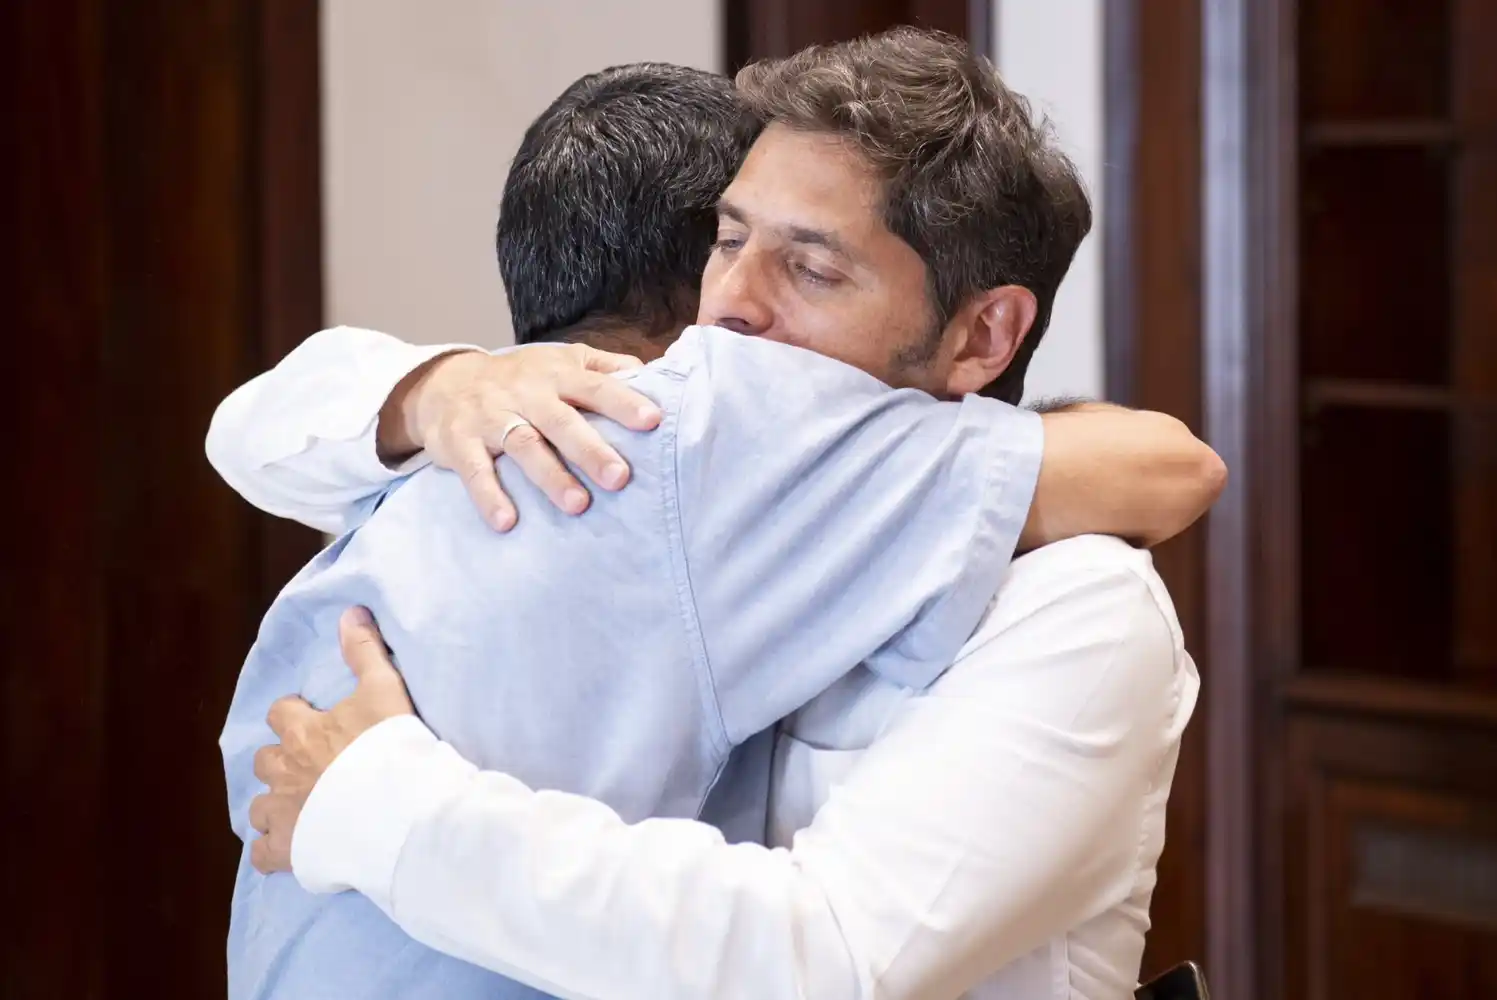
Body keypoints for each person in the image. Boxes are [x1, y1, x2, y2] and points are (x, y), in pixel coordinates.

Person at [211, 33, 1218, 1000]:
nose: (728, 305)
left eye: (813, 269)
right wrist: (435, 386)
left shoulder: (1079, 605)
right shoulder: (646, 467)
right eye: (727, 241)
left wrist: (379, 802)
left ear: (984, 333)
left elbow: (828, 962)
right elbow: (259, 431)